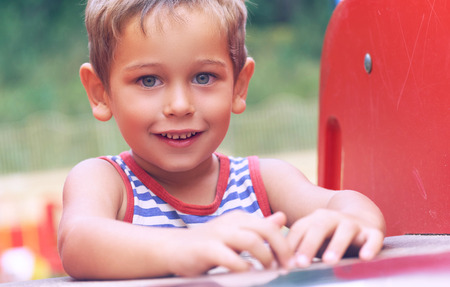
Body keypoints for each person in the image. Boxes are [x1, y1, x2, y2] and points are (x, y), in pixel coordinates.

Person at [57, 0, 386, 280]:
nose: (180, 105)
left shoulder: (262, 181)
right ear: (100, 93)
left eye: (204, 77)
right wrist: (185, 246)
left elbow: (345, 203)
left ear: (239, 86)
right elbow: (78, 241)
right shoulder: (105, 181)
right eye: (148, 80)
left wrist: (351, 221)